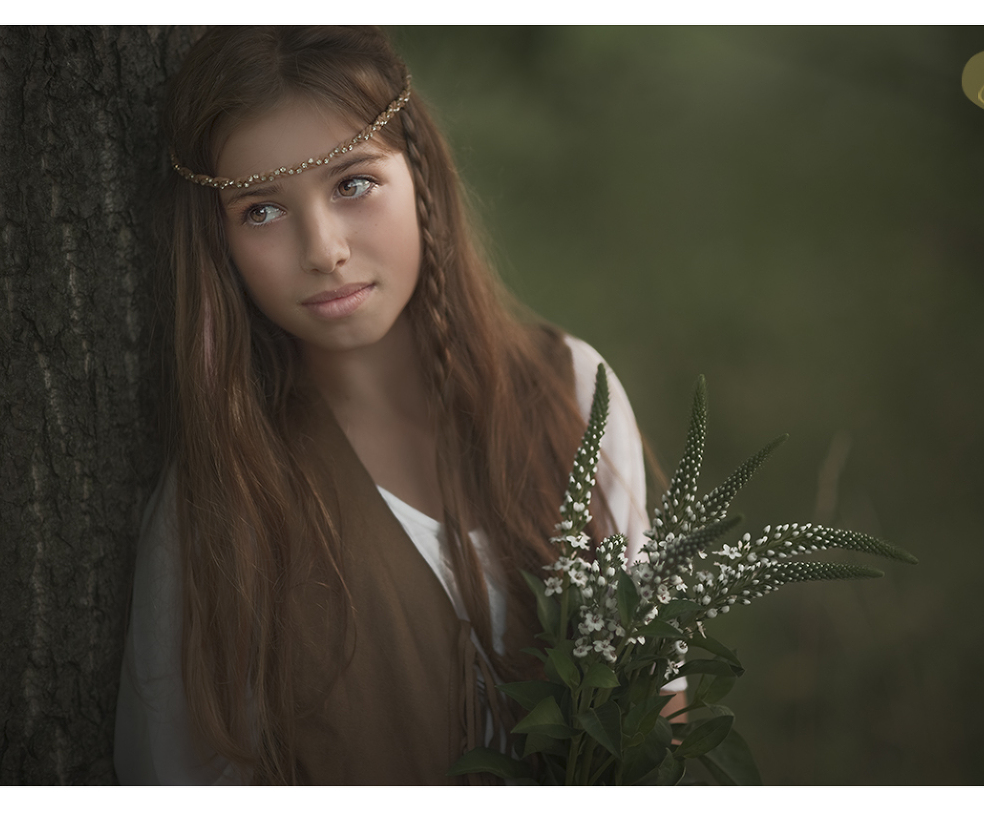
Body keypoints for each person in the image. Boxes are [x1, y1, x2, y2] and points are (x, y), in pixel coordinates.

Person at [114, 26, 675, 785]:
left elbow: (662, 715)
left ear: (421, 174)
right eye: (262, 212)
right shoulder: (223, 502)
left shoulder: (572, 391)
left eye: (352, 184)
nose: (324, 249)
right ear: (217, 245)